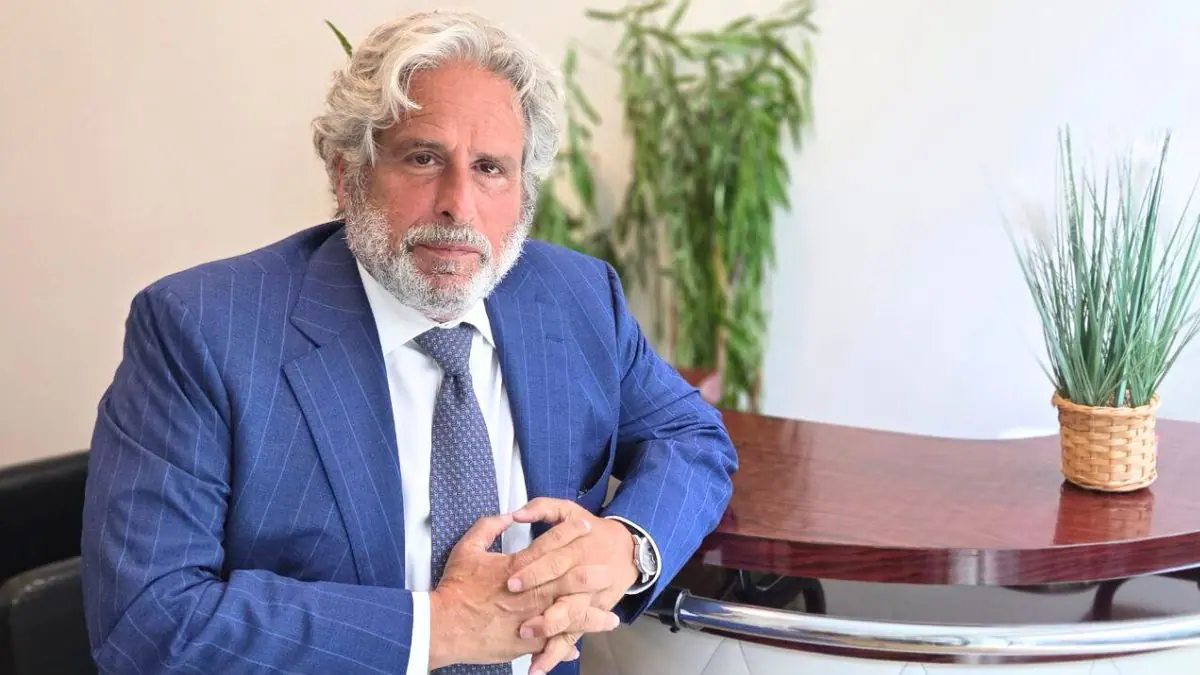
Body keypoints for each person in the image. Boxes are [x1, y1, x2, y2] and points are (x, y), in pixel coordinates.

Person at [80, 9, 737, 675]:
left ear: (524, 193)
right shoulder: (203, 329)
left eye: (491, 168)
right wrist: (440, 628)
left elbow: (692, 436)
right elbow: (148, 622)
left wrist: (628, 547)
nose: (459, 205)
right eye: (424, 158)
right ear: (346, 175)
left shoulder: (576, 298)